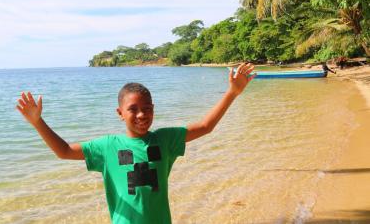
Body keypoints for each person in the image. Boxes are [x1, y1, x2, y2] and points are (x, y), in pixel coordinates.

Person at [16, 63, 256, 223]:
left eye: (147, 109)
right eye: (133, 109)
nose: (142, 115)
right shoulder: (107, 147)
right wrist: (38, 122)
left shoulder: (164, 139)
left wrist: (232, 93)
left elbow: (205, 127)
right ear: (119, 113)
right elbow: (65, 151)